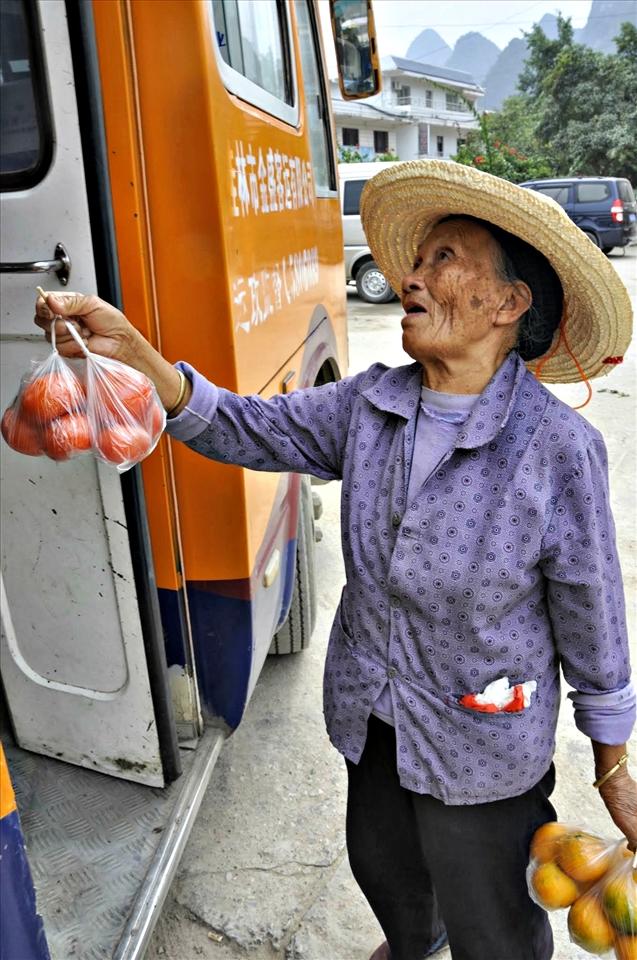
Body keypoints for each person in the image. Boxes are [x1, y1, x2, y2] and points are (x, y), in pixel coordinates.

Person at [35, 160, 635, 960]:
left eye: (442, 260)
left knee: (493, 921)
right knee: (386, 874)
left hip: (481, 741)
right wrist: (137, 356)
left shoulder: (558, 449)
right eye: (414, 261)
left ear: (506, 303)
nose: (409, 278)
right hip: (373, 710)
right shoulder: (371, 403)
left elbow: (593, 617)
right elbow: (246, 427)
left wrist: (610, 768)